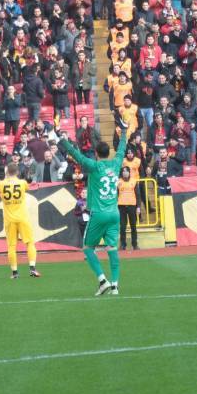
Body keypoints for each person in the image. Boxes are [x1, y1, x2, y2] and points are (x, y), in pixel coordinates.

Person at [57, 125, 128, 296]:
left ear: (96, 153)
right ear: (108, 153)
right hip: (114, 213)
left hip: (98, 213)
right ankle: (116, 285)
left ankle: (102, 280)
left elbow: (78, 156)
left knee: (88, 248)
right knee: (112, 248)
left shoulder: (95, 167)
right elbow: (122, 149)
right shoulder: (116, 163)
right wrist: (124, 132)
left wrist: (63, 140)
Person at [0, 163, 40, 279]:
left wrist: (6, 178)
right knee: (29, 242)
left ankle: (15, 273)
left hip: (9, 219)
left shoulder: (1, 184)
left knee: (11, 246)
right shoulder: (22, 183)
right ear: (17, 172)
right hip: (22, 217)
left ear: (6, 172)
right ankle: (32, 269)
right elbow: (27, 187)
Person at [117, 166, 139, 250]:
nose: (125, 172)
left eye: (126, 171)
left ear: (129, 172)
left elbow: (138, 194)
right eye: (123, 171)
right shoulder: (118, 182)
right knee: (122, 227)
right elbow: (116, 194)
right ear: (121, 173)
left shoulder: (134, 181)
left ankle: (135, 244)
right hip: (121, 206)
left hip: (132, 206)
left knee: (133, 226)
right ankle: (123, 245)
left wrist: (138, 207)